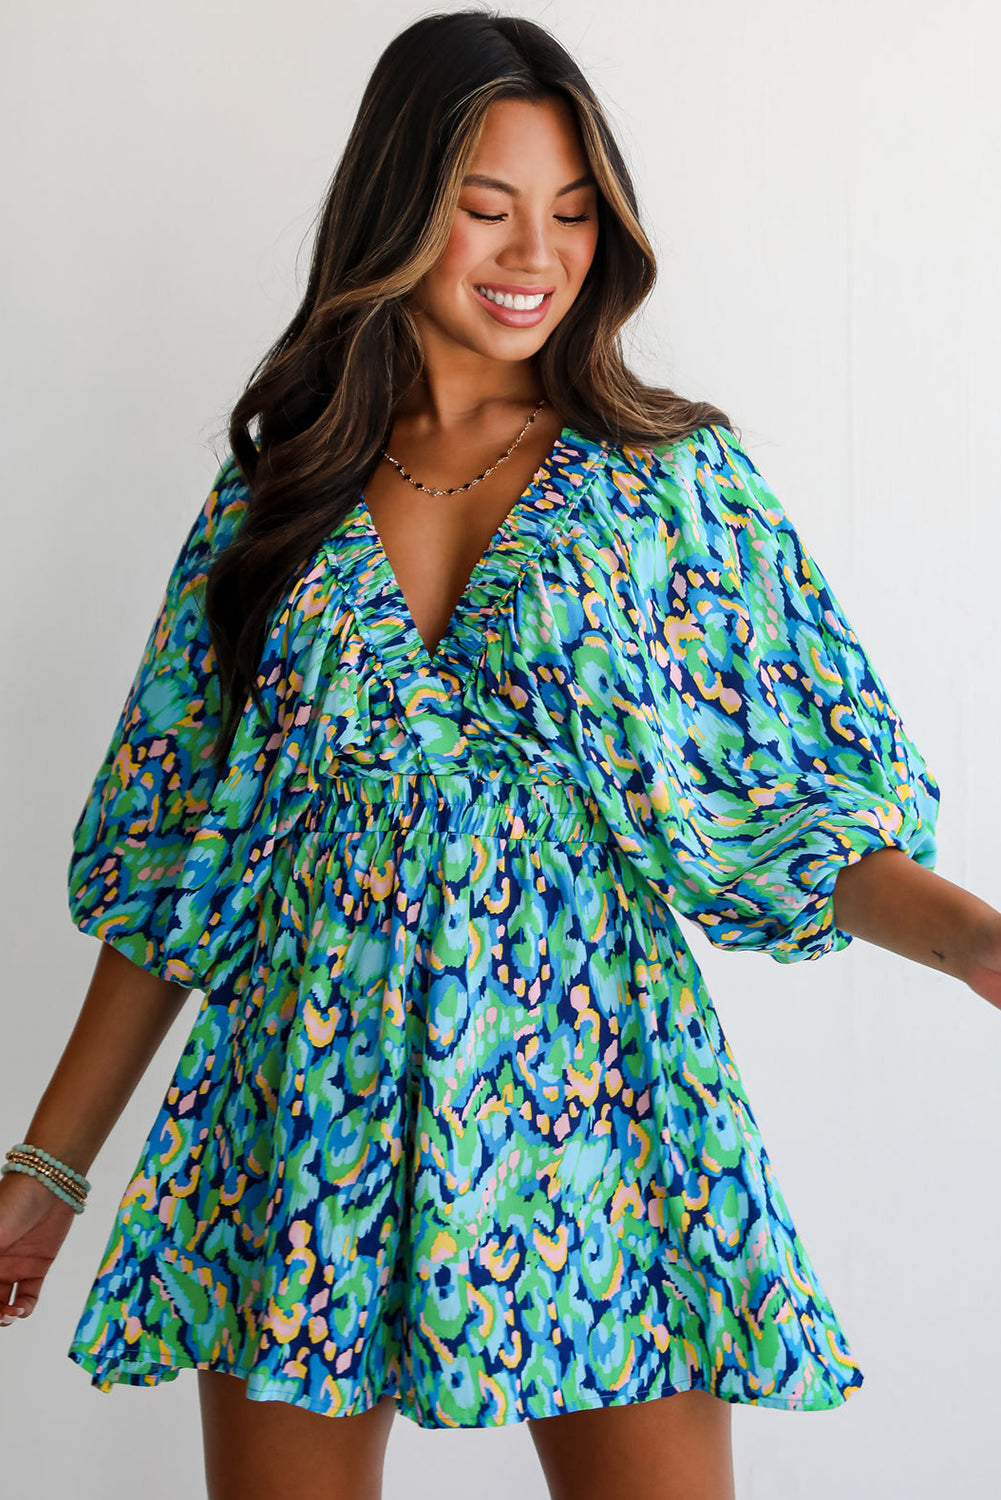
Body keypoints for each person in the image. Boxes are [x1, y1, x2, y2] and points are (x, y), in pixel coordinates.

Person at [2, 11, 998, 1500]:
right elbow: (174, 867)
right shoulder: (276, 495)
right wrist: (47, 1169)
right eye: (487, 207)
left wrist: (974, 940)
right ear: (398, 207)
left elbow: (791, 809)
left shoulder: (673, 480)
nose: (536, 252)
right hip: (302, 1095)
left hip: (597, 1094)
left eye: (575, 213)